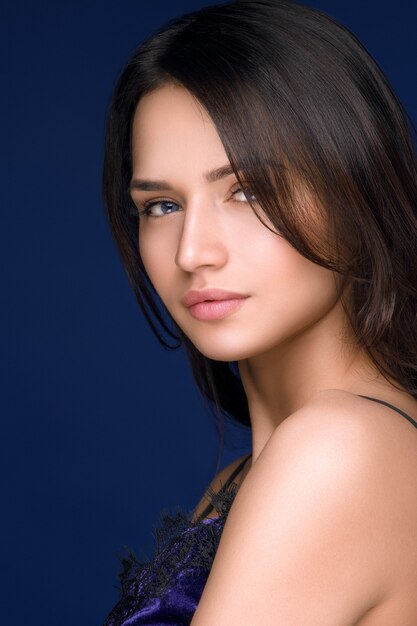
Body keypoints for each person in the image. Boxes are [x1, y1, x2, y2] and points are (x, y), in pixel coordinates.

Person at [102, 0, 417, 623]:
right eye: (161, 205)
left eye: (246, 191)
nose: (193, 252)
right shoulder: (238, 482)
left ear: (357, 184)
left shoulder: (338, 451)